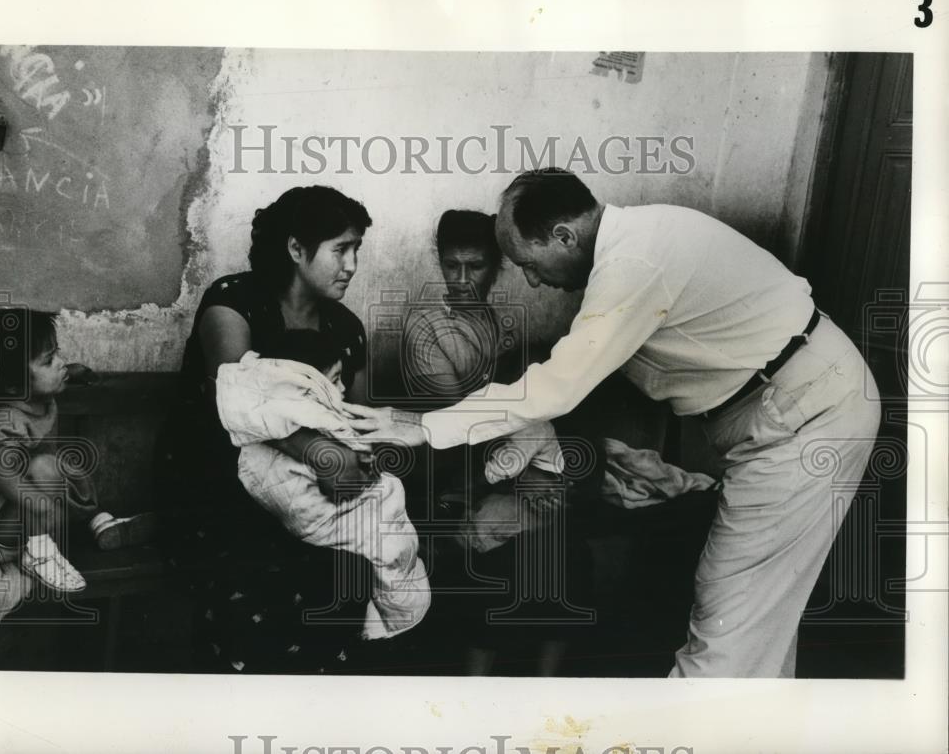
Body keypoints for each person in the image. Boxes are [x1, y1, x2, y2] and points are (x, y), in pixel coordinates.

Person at [347, 168, 882, 678]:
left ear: (563, 236)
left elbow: (560, 383)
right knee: (758, 624)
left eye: (529, 264)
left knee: (725, 620)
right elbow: (572, 379)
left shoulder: (633, 266)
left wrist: (423, 426)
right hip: (790, 406)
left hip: (805, 416)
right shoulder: (637, 243)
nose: (532, 281)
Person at [158, 184, 378, 674]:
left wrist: (358, 462)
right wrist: (321, 453)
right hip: (221, 489)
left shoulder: (345, 328)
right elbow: (237, 401)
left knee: (353, 558)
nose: (352, 265)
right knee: (254, 581)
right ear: (296, 249)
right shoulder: (233, 303)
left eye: (356, 249)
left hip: (314, 492)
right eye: (340, 249)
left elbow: (359, 420)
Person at [403, 209, 589, 677]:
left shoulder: (505, 321)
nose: (462, 279)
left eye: (476, 265)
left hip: (509, 466)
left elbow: (531, 404)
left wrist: (539, 472)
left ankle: (546, 688)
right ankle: (476, 688)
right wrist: (524, 472)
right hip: (451, 473)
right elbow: (454, 429)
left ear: (499, 263)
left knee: (568, 549)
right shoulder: (426, 327)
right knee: (502, 560)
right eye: (451, 265)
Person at [213, 330, 431, 641]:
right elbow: (352, 476)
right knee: (390, 543)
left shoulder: (270, 416)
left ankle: (386, 613)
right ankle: (392, 616)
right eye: (337, 379)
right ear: (309, 386)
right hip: (321, 521)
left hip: (303, 525)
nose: (342, 389)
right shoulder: (309, 416)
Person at [0, 308, 155, 641]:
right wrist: (39, 506)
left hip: (33, 513)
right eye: (50, 360)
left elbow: (57, 371)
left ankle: (98, 524)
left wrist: (74, 372)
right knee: (44, 467)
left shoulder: (35, 393)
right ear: (13, 383)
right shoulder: (1, 418)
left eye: (58, 354)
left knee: (58, 468)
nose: (61, 362)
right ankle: (39, 549)